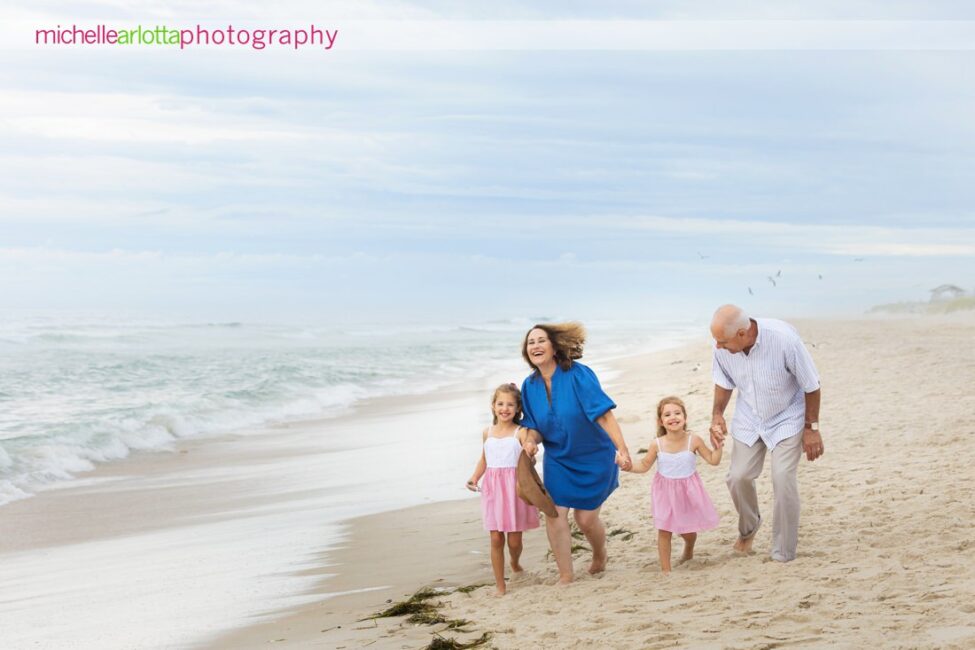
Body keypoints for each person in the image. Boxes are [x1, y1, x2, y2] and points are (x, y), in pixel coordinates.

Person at [708, 304, 823, 563]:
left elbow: (812, 385)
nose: (717, 346)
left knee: (782, 478)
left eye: (722, 341)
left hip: (787, 415)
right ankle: (749, 527)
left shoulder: (784, 340)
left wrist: (811, 429)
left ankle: (783, 552)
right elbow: (724, 381)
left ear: (741, 333)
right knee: (737, 477)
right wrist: (717, 415)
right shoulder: (723, 347)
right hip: (749, 416)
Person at [518, 323, 632, 584]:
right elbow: (533, 426)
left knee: (586, 519)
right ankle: (566, 575)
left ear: (554, 345)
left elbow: (604, 415)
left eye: (540, 340)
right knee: (555, 513)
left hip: (595, 456)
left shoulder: (579, 375)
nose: (535, 346)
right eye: (530, 342)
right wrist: (531, 442)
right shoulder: (529, 385)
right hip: (559, 459)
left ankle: (600, 554)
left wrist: (622, 449)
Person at [626, 396, 722, 572]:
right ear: (661, 421)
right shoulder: (657, 444)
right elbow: (644, 465)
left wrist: (718, 446)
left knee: (687, 531)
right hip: (664, 492)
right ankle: (666, 570)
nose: (673, 417)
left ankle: (689, 546)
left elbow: (713, 460)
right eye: (667, 414)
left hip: (688, 492)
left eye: (677, 413)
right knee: (664, 529)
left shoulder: (694, 440)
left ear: (685, 417)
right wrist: (627, 466)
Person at [466, 383, 539, 596]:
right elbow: (484, 459)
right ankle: (500, 585)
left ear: (518, 409)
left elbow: (529, 452)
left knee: (514, 540)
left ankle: (515, 562)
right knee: (496, 538)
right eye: (500, 403)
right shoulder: (487, 432)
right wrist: (474, 477)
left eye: (510, 404)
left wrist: (531, 450)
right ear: (493, 406)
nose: (504, 408)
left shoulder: (521, 432)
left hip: (514, 489)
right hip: (493, 490)